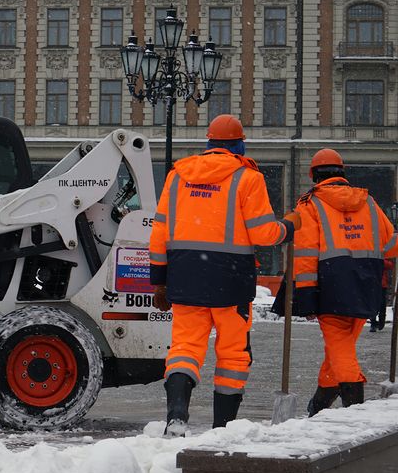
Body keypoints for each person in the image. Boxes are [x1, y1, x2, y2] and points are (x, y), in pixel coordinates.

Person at [150, 114, 299, 436]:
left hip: (185, 276)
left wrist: (159, 280)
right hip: (230, 282)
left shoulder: (177, 176)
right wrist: (288, 227)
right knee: (233, 353)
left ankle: (176, 415)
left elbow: (159, 232)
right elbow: (262, 233)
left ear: (208, 143)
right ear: (239, 144)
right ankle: (222, 427)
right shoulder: (247, 178)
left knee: (185, 349)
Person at [273, 148, 398, 416]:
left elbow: (306, 255)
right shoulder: (369, 202)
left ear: (313, 176)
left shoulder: (310, 205)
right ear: (342, 173)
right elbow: (389, 245)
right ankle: (319, 404)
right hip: (366, 284)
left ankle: (354, 407)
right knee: (340, 347)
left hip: (331, 286)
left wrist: (305, 297)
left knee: (340, 349)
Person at [370, 258, 394, 332]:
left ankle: (381, 321)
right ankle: (373, 323)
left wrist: (381, 261)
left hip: (382, 285)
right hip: (372, 283)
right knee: (373, 304)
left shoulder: (384, 255)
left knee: (382, 304)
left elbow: (390, 265)